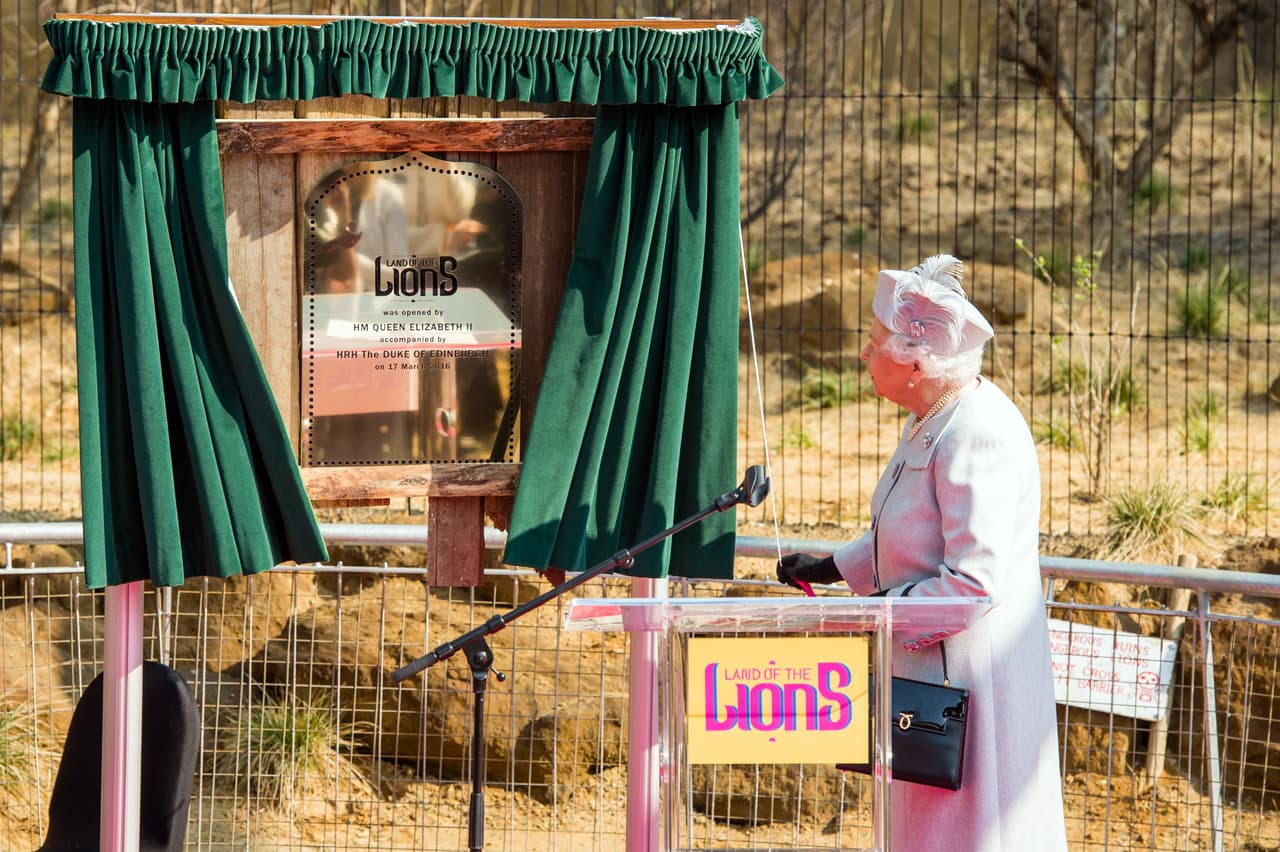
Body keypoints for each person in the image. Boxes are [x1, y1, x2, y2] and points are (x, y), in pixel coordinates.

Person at [776, 254, 1068, 851]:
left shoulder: (975, 430)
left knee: (968, 834)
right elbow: (908, 536)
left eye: (873, 342)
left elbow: (973, 583)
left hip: (968, 689)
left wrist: (881, 610)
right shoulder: (936, 417)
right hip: (932, 682)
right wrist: (831, 569)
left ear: (912, 361)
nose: (863, 354)